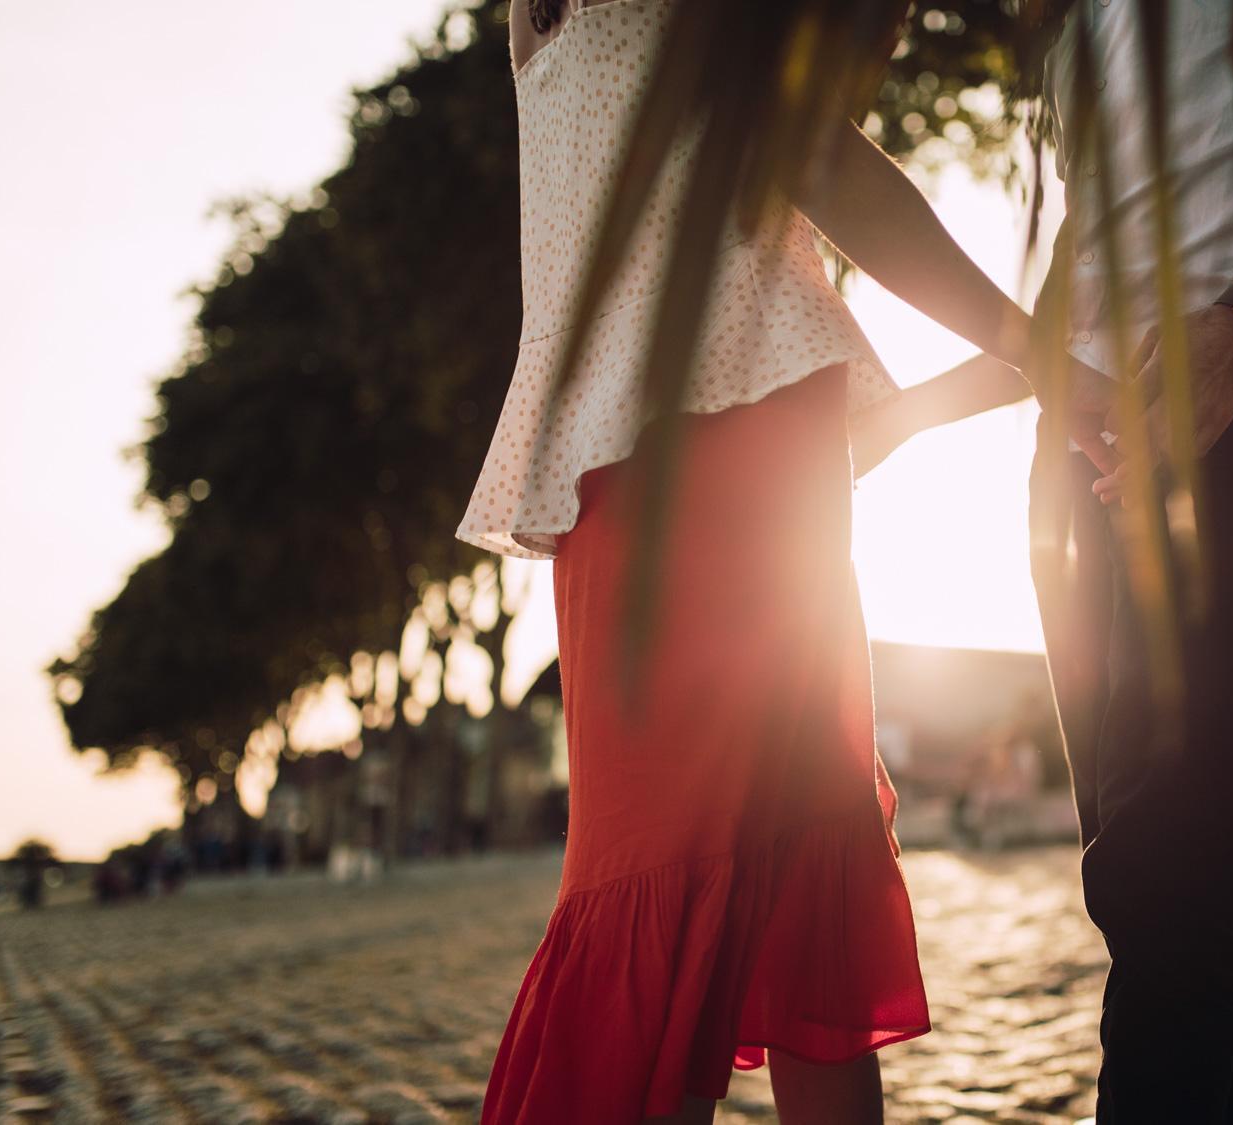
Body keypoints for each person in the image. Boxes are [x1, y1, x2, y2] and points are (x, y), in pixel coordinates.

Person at [463, 3, 1118, 1122]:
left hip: (658, 450)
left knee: (753, 850)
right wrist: (1033, 350)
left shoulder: (540, 24)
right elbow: (814, 153)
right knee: (740, 852)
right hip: (718, 446)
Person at [871, 2, 1233, 1118]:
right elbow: (1080, 275)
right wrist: (911, 415)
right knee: (1158, 876)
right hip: (1069, 458)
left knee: (1163, 863)